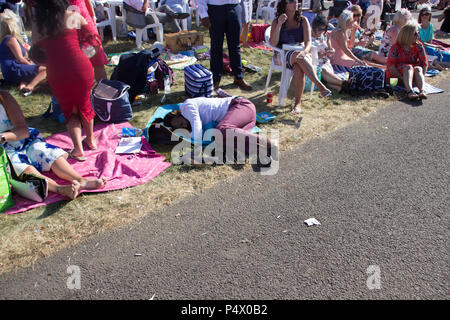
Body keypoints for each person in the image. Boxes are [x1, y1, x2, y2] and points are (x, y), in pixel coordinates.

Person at [0, 90, 106, 200]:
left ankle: (80, 180)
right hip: (3, 151)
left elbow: (23, 131)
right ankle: (61, 189)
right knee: (21, 167)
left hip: (22, 140)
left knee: (46, 152)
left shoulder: (4, 97)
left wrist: (3, 137)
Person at [32, 0, 98, 161]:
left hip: (57, 71)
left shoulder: (39, 25)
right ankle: (91, 139)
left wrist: (48, 61)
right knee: (84, 103)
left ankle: (78, 148)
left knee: (69, 110)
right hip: (80, 66)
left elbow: (34, 53)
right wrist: (85, 52)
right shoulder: (72, 16)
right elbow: (94, 38)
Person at [161, 96, 275, 165]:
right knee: (221, 140)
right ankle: (260, 151)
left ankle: (266, 142)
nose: (184, 124)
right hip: (245, 119)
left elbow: (197, 129)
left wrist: (192, 145)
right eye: (181, 126)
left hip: (242, 106)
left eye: (180, 122)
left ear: (177, 113)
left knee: (221, 130)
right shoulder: (189, 118)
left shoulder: (187, 106)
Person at [269, 0, 332, 114]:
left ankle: (297, 104)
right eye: (292, 1)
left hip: (299, 52)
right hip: (282, 54)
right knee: (299, 59)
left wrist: (305, 52)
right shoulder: (277, 21)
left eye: (297, 1)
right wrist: (279, 24)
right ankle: (319, 85)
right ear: (285, 5)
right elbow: (273, 43)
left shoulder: (303, 20)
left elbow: (308, 42)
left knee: (299, 68)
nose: (296, 3)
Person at [197, 0, 253, 91]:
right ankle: (215, 79)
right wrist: (203, 15)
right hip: (215, 8)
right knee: (216, 46)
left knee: (235, 46)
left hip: (234, 6)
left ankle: (238, 77)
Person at [0, 9, 46, 96]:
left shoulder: (5, 40)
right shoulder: (11, 39)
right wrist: (33, 66)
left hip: (8, 73)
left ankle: (23, 84)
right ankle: (30, 87)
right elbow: (21, 59)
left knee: (43, 74)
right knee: (46, 70)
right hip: (14, 69)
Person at [387, 22, 428, 100]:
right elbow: (391, 67)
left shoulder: (418, 46)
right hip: (397, 76)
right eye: (415, 34)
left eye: (418, 33)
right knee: (408, 67)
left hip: (412, 75)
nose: (417, 36)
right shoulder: (396, 47)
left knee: (418, 68)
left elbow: (424, 63)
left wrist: (422, 75)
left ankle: (422, 90)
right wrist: (402, 78)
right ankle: (410, 91)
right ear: (407, 35)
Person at [68, 0, 107, 82]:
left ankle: (103, 88)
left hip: (84, 18)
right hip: (70, 20)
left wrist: (93, 16)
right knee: (76, 61)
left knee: (97, 57)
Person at [311, 14, 348, 93]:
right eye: (320, 29)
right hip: (314, 63)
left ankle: (343, 87)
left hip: (325, 62)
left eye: (324, 29)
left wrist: (331, 51)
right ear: (314, 26)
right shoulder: (308, 36)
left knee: (326, 77)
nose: (322, 31)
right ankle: (344, 84)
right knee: (323, 71)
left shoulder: (325, 35)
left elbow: (331, 49)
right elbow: (308, 55)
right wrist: (322, 54)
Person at [123, 0, 190, 33]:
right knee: (170, 17)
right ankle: (178, 33)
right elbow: (143, 9)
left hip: (145, 14)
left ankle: (175, 14)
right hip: (143, 17)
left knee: (164, 7)